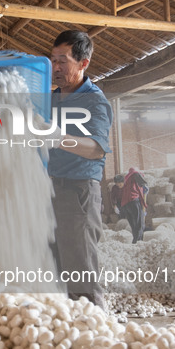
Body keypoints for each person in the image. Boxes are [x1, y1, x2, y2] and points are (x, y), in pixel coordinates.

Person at [46, 30, 113, 310]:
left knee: (79, 267)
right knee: (54, 267)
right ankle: (65, 329)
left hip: (77, 192)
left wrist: (58, 138)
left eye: (63, 61)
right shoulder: (51, 99)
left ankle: (93, 332)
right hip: (49, 190)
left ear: (83, 63)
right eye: (53, 60)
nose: (56, 67)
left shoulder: (93, 101)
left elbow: (96, 147)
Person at [120, 167, 147, 243]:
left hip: (126, 205)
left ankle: (135, 242)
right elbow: (141, 186)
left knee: (134, 226)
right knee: (140, 225)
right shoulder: (136, 174)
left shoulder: (127, 179)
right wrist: (143, 204)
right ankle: (137, 243)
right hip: (134, 202)